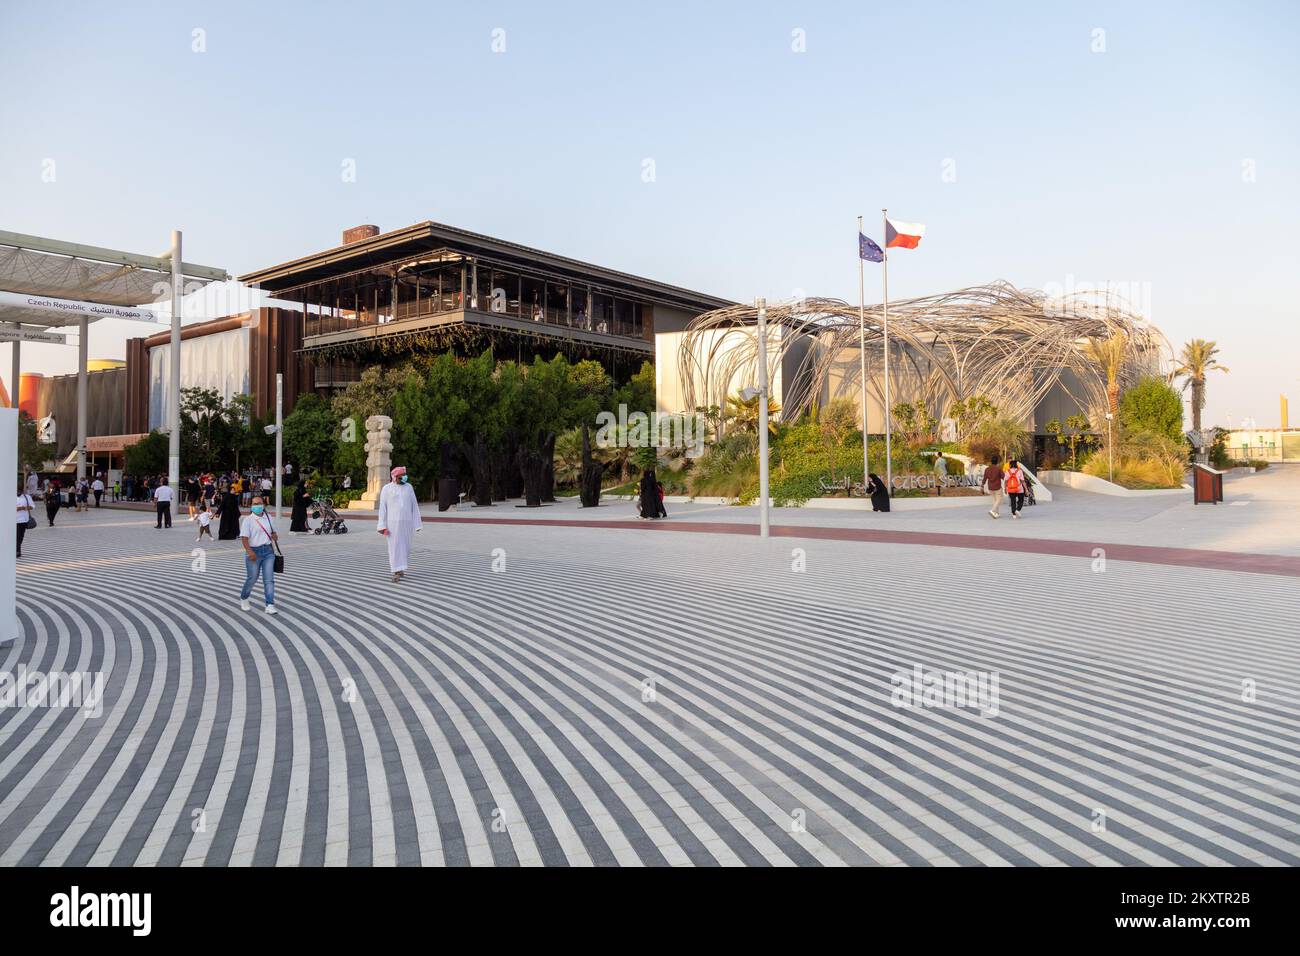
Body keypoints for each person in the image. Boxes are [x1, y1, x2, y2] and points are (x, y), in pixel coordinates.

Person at [377, 465, 422, 582]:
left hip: (407, 523)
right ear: (394, 477)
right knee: (395, 547)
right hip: (392, 524)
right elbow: (382, 508)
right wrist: (382, 526)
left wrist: (417, 524)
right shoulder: (386, 489)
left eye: (404, 476)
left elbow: (414, 506)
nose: (403, 478)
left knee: (405, 547)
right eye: (401, 477)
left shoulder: (409, 487)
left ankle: (401, 568)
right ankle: (396, 571)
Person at [238, 496, 279, 614]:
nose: (257, 506)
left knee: (269, 579)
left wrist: (274, 536)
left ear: (263, 504)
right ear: (251, 506)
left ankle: (270, 604)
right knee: (252, 578)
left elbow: (273, 532)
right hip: (254, 551)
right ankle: (244, 597)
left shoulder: (268, 517)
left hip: (268, 551)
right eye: (255, 504)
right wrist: (250, 552)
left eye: (259, 503)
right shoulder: (248, 520)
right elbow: (244, 538)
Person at [981, 454, 1005, 519]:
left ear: (991, 461)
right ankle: (992, 510)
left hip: (990, 487)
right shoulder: (998, 469)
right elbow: (1003, 477)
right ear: (997, 462)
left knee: (995, 500)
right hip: (997, 487)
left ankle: (996, 513)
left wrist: (982, 486)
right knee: (999, 499)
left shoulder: (987, 469)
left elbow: (984, 478)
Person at [16, 483, 33, 558]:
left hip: (23, 520)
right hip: (11, 520)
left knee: (20, 536)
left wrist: (23, 508)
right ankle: (17, 550)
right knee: (13, 537)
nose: (18, 492)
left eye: (20, 491)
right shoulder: (9, 496)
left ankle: (18, 550)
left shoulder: (27, 497)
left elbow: (32, 506)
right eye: (17, 491)